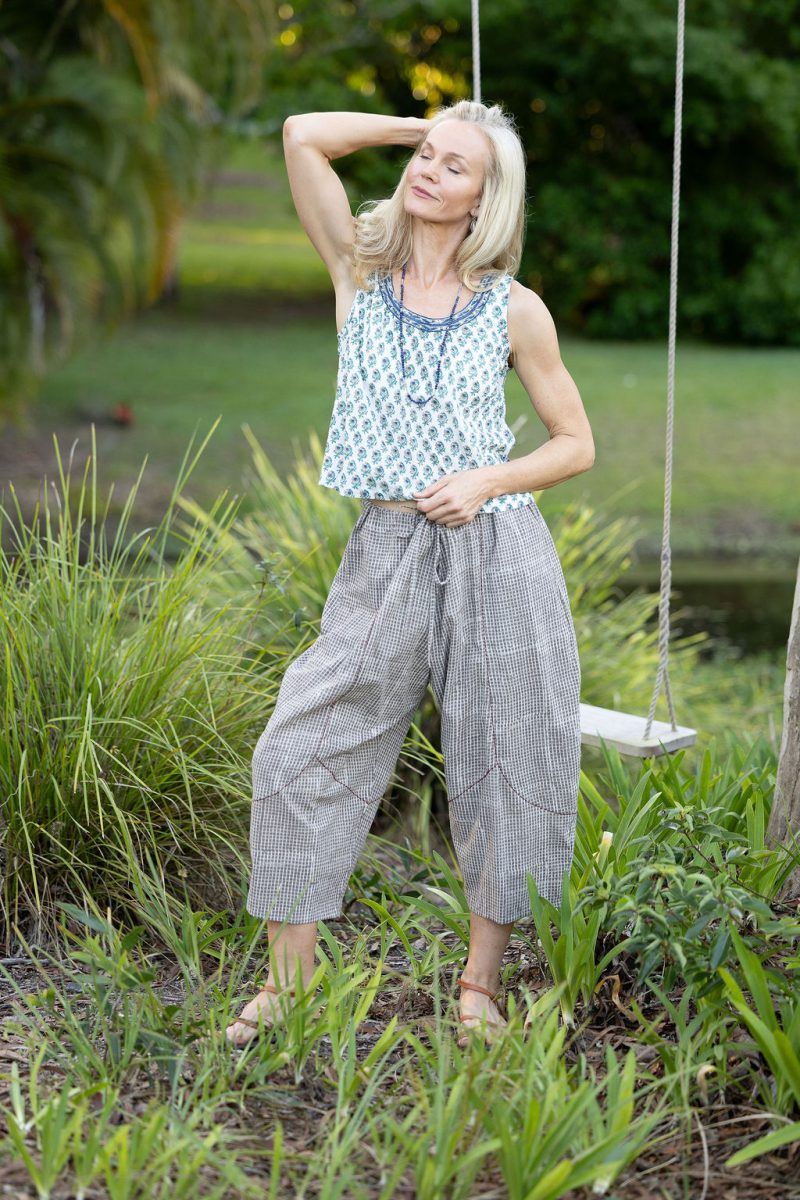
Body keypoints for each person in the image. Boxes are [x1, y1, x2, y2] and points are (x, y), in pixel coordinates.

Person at [226, 101, 594, 1048]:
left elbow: (575, 444)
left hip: (499, 549)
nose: (429, 170)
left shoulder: (516, 309)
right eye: (425, 157)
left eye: (454, 166)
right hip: (385, 547)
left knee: (510, 756)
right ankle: (289, 988)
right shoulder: (359, 269)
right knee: (300, 746)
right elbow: (303, 134)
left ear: (485, 200)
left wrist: (488, 479)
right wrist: (425, 122)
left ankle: (479, 989)